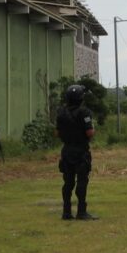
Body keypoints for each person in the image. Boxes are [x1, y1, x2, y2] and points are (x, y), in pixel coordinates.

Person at [56, 84, 97, 220]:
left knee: (67, 182)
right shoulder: (84, 112)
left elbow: (57, 132)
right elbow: (89, 132)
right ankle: (81, 211)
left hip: (66, 150)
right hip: (80, 151)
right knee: (82, 181)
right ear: (80, 98)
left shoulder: (61, 112)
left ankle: (66, 212)